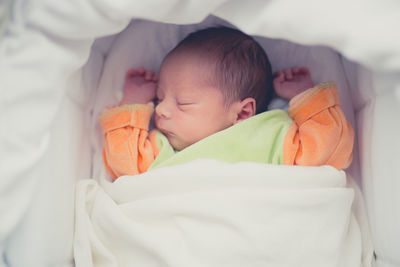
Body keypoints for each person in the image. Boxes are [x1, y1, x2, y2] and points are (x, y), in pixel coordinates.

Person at [99, 27, 354, 181]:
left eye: (183, 103)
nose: (160, 110)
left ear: (243, 112)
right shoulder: (162, 149)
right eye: (158, 97)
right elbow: (125, 166)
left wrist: (306, 98)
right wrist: (132, 103)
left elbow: (329, 151)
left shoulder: (272, 138)